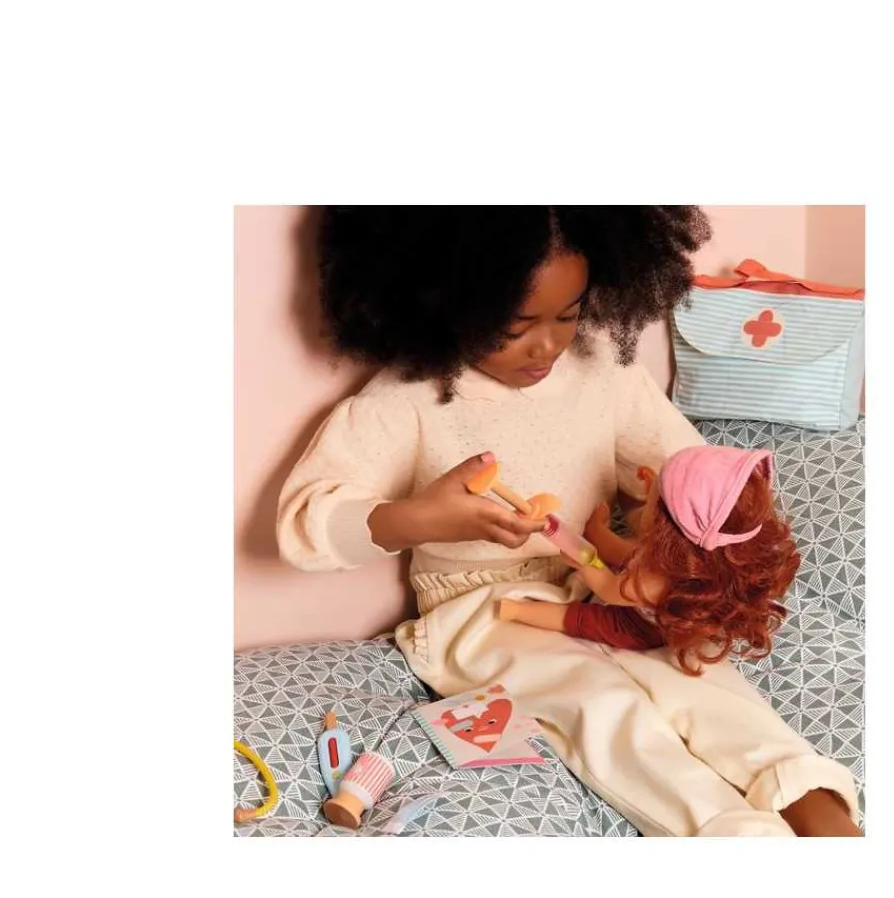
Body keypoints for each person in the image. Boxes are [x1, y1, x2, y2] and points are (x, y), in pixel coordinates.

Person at [277, 207, 861, 836]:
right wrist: (419, 519)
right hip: (481, 615)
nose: (548, 345)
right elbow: (305, 525)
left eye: (569, 314)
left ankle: (820, 809)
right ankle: (733, 834)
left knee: (706, 685)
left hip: (606, 583)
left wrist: (670, 523)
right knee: (602, 710)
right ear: (443, 302)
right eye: (515, 326)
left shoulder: (602, 369)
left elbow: (685, 468)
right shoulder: (408, 399)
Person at [499, 446, 801, 679]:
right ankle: (598, 534)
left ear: (663, 528)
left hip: (641, 624)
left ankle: (517, 611)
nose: (645, 506)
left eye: (651, 503)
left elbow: (609, 589)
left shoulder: (654, 580)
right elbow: (633, 553)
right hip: (648, 572)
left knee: (588, 620)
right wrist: (656, 487)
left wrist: (584, 565)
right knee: (628, 552)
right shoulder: (689, 553)